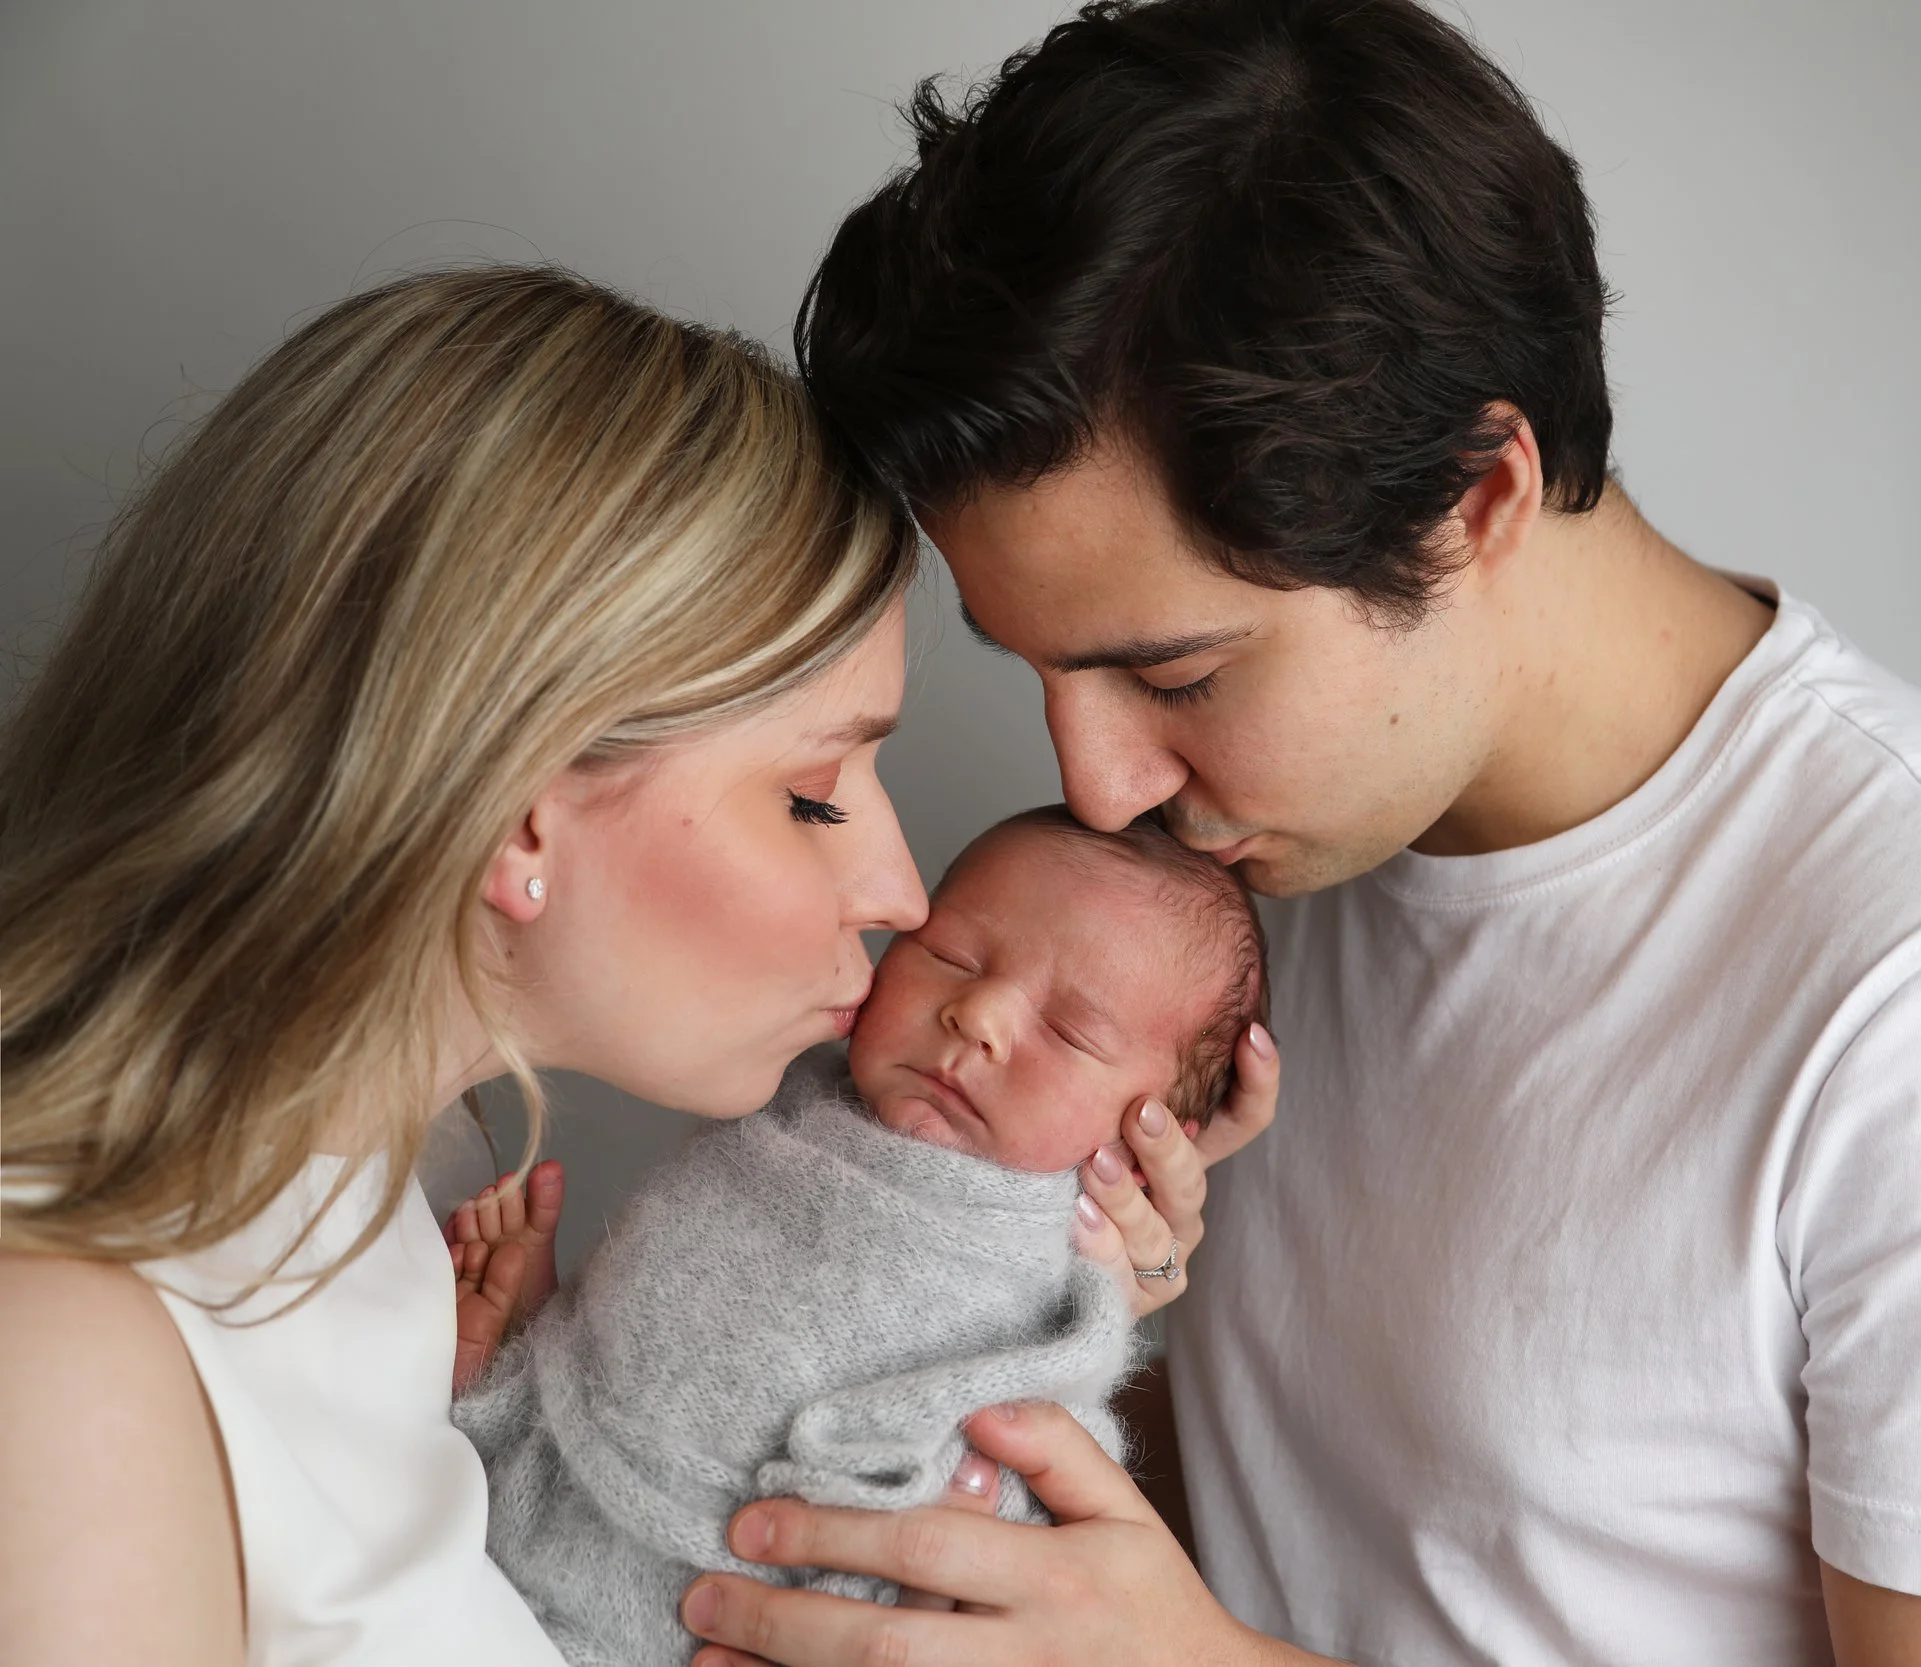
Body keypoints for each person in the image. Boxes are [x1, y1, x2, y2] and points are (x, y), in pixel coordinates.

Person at [660, 1, 1921, 1663]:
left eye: (1175, 672)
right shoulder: (1225, 885)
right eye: (1042, 675)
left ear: (1479, 495)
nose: (1096, 789)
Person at [0, 266, 1276, 1663]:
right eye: (811, 793)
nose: (898, 891)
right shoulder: (70, 1362)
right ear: (525, 807)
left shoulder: (380, 1221)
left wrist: (1027, 1256)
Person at [448, 806, 1266, 1662]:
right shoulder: (779, 1094)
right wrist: (520, 1359)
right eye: (949, 955)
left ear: (1145, 1146)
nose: (976, 1013)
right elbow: (648, 1317)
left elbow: (1033, 1487)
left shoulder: (1045, 1303)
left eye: (1068, 1031)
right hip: (514, 1525)